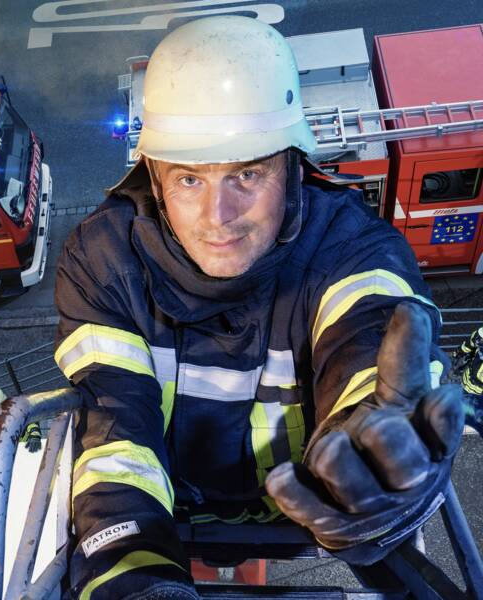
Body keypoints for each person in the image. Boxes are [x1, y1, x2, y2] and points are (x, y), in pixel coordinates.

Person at [52, 16, 464, 599]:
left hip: (310, 502)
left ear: (292, 166)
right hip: (166, 506)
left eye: (247, 173)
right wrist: (135, 576)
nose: (219, 216)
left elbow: (368, 336)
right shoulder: (103, 261)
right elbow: (116, 434)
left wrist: (370, 452)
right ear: (153, 174)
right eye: (190, 179)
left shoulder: (351, 249)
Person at [451, 326, 483, 435]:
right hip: (469, 382)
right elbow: (469, 344)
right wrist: (459, 353)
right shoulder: (481, 335)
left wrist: (459, 353)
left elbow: (468, 345)